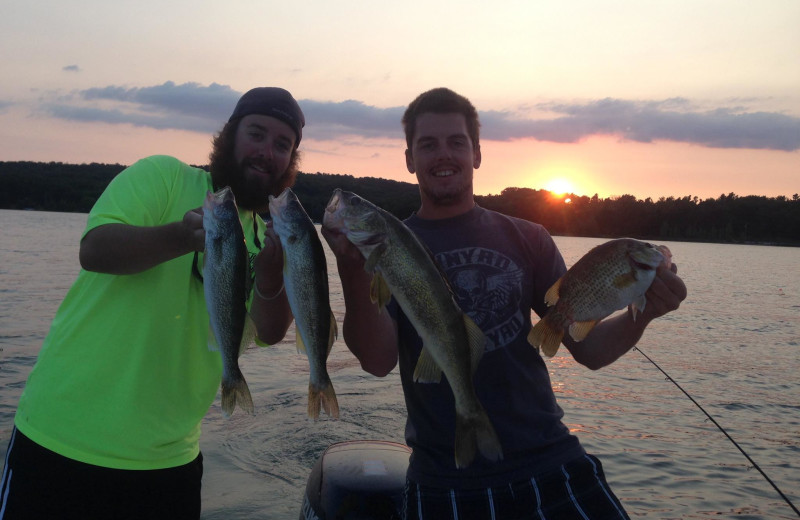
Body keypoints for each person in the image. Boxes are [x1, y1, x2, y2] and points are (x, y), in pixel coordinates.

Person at [322, 87, 688, 520]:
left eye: (457, 142)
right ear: (409, 160)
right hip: (444, 479)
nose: (444, 154)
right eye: (428, 144)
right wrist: (349, 268)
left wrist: (641, 313)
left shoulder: (529, 237)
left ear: (476, 154)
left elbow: (587, 349)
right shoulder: (388, 246)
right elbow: (378, 360)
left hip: (552, 461)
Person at [0, 87, 304, 520]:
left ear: (291, 160)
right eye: (256, 134)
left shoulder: (265, 238)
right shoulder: (163, 176)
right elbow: (95, 250)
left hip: (170, 464)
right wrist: (181, 237)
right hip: (61, 441)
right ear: (230, 135)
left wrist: (273, 277)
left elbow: (270, 333)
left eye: (282, 145)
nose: (266, 152)